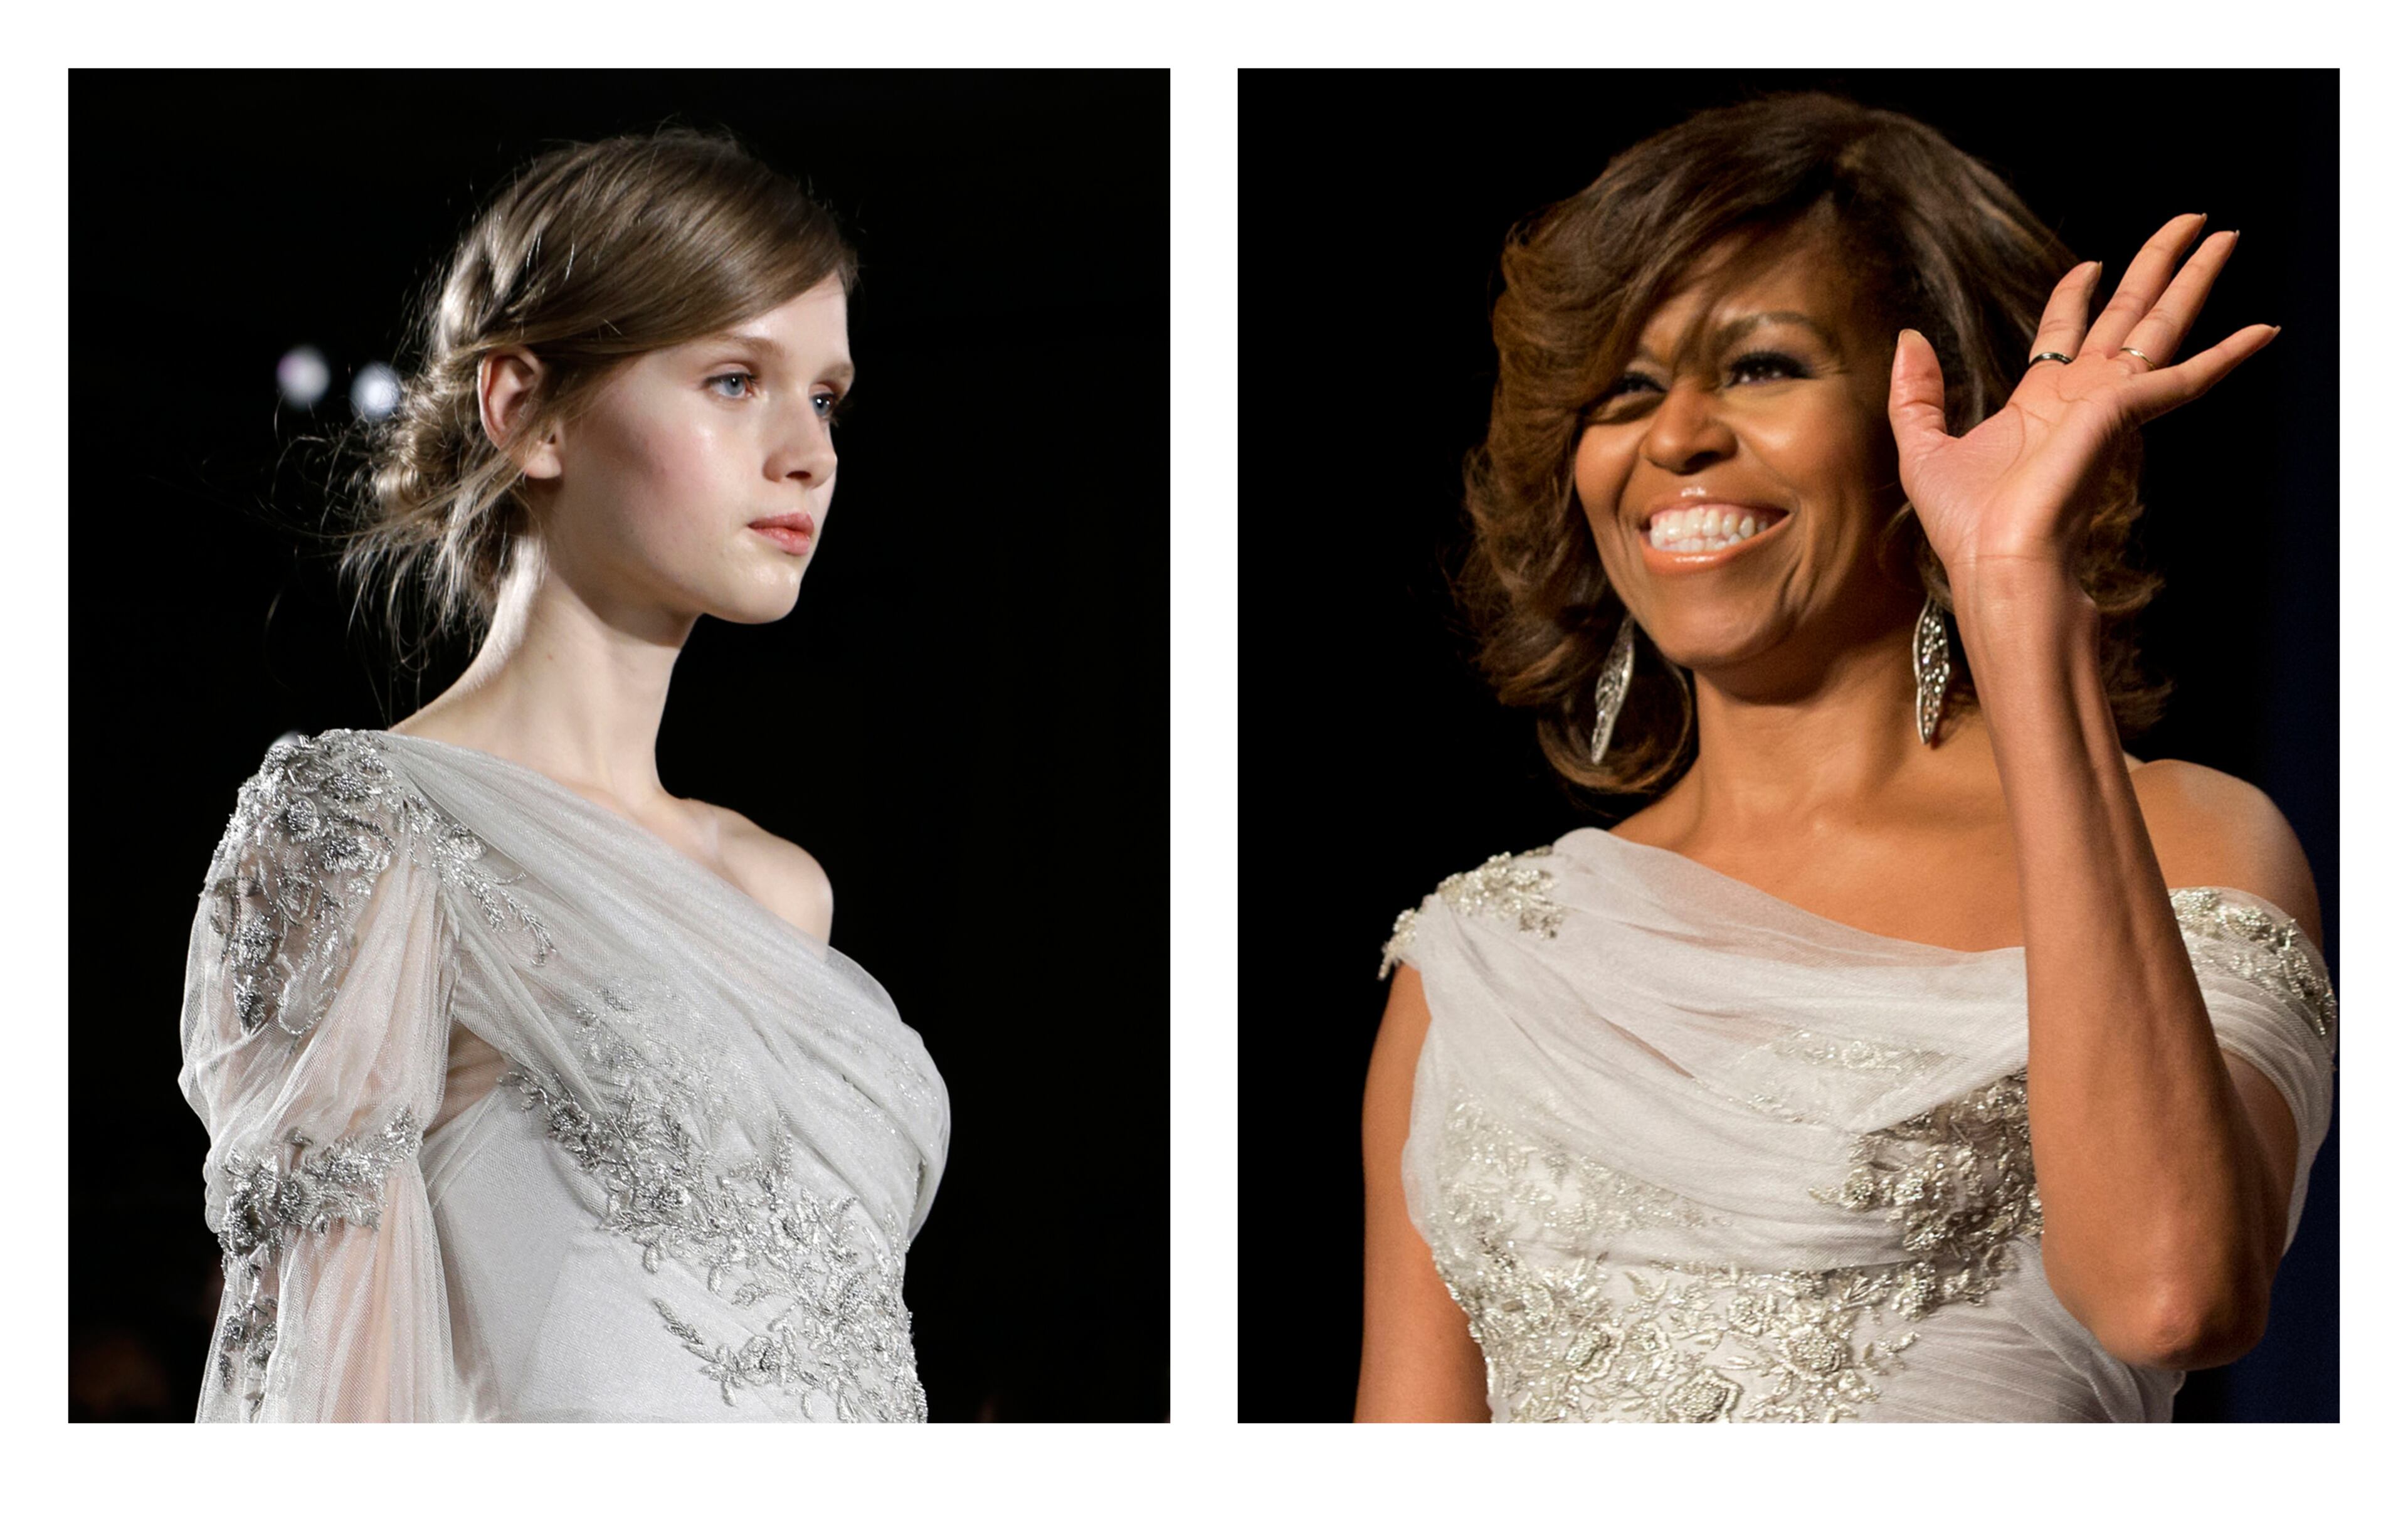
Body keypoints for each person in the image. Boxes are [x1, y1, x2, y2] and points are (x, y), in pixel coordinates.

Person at [1356, 93, 2334, 1423]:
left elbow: (2174, 1292)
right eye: (1624, 390)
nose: (1677, 435)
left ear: (1932, 421)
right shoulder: (1482, 966)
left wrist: (2013, 586)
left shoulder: (2194, 845)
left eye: (1760, 366)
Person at [177, 128, 949, 1422]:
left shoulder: (779, 884)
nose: (807, 452)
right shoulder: (368, 828)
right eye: (729, 379)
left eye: (824, 396)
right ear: (524, 408)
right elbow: (338, 1401)